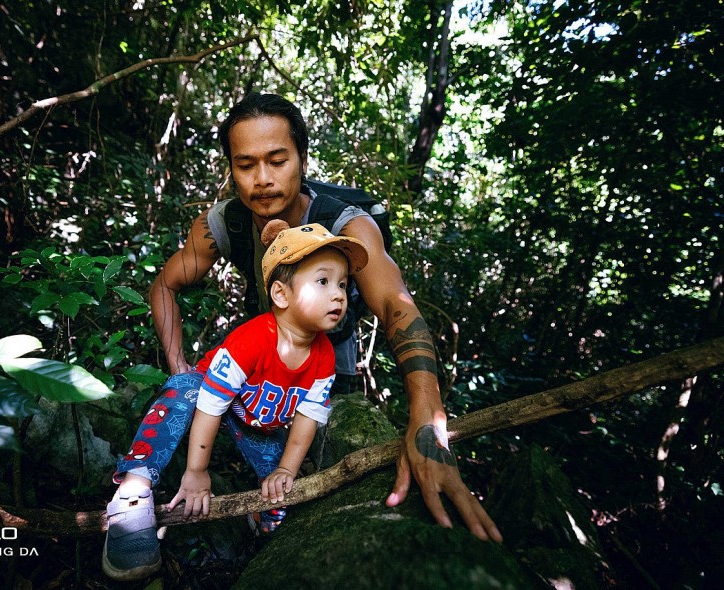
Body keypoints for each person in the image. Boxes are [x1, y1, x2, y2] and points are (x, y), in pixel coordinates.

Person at [148, 92, 502, 544]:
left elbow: (395, 304)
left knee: (332, 450)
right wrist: (178, 364)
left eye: (278, 160)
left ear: (302, 158)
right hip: (262, 364)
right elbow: (165, 284)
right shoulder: (226, 223)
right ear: (230, 169)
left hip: (330, 366)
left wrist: (427, 423)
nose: (262, 179)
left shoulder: (344, 224)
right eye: (245, 164)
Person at [103, 221, 370, 581]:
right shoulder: (253, 339)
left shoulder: (324, 357)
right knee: (184, 387)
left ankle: (257, 524)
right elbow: (212, 405)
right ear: (281, 294)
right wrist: (197, 472)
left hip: (256, 422)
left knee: (282, 499)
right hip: (209, 400)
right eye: (323, 281)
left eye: (342, 284)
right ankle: (132, 494)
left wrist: (286, 471)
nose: (338, 294)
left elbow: (306, 420)